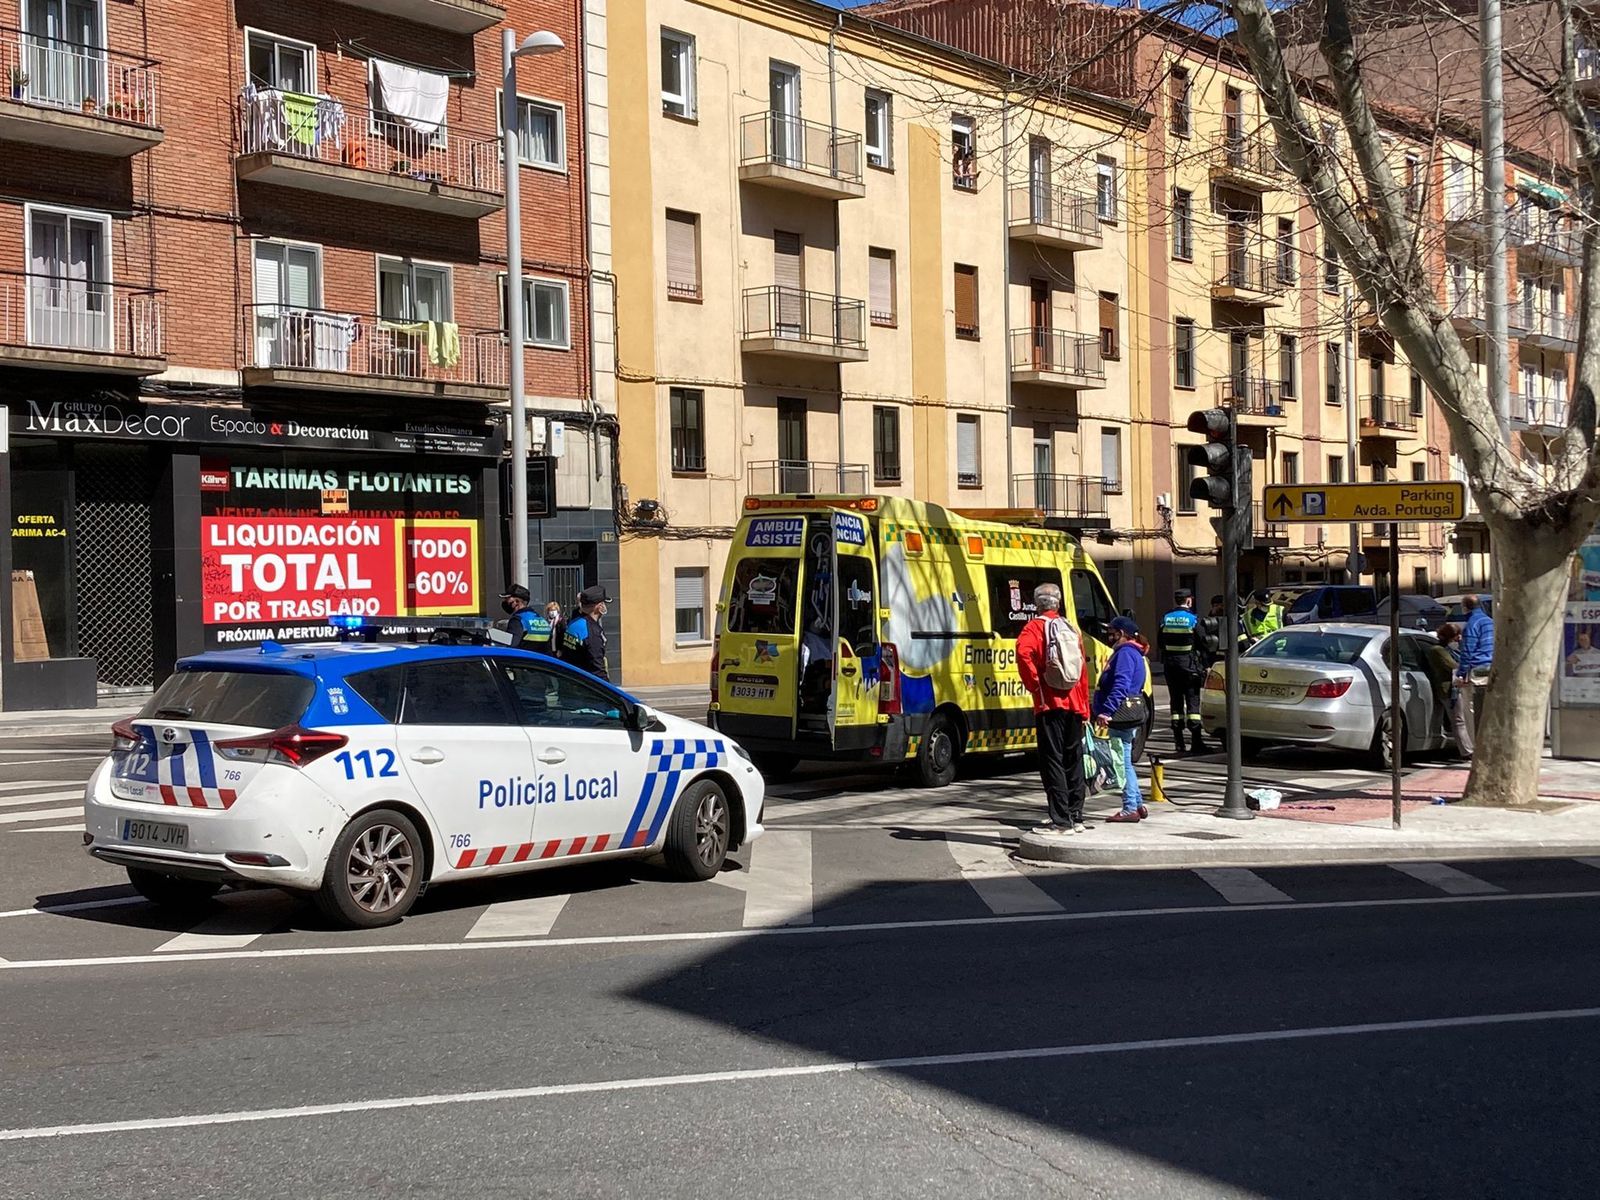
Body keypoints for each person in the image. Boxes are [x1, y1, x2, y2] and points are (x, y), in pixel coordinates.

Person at [1016, 584, 1092, 836]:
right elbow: (1082, 671)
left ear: (1037, 604)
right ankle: (1076, 815)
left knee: (1052, 760)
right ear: (1058, 603)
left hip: (1049, 704)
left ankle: (1060, 820)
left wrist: (1035, 686)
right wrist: (1084, 708)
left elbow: (1023, 653)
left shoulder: (1034, 628)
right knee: (1073, 759)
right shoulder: (1070, 628)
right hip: (1074, 703)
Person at [1092, 615, 1149, 824]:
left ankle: (1129, 807)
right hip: (1128, 714)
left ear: (1122, 634)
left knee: (1122, 763)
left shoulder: (1125, 653)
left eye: (1112, 632)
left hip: (1121, 715)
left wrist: (1106, 711)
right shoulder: (1132, 652)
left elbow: (1121, 685)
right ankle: (1138, 803)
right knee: (1125, 761)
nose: (1109, 635)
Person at [1157, 589, 1207, 754]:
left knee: (1176, 703)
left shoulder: (1166, 618)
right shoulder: (1192, 619)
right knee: (1193, 703)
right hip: (1189, 666)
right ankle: (1196, 742)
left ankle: (1179, 742)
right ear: (1189, 600)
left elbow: (1160, 643)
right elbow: (1203, 642)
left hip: (1171, 666)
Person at [1455, 593, 1495, 757]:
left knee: (1472, 712)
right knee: (1488, 710)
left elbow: (1468, 651)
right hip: (1491, 667)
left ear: (1466, 607)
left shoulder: (1471, 624)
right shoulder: (1490, 622)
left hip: (1476, 670)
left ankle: (1478, 749)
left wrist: (1461, 673)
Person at [1432, 623, 1471, 758]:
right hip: (1448, 690)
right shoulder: (1438, 650)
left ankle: (1467, 747)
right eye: (1455, 637)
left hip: (1455, 687)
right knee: (1458, 721)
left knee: (1461, 719)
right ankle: (1466, 751)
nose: (1458, 640)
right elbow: (1453, 665)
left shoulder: (1450, 650)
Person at [560, 585, 612, 681]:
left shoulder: (574, 623)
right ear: (599, 606)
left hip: (569, 680)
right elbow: (596, 667)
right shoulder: (592, 631)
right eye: (604, 603)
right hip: (585, 685)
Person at [498, 584, 550, 651]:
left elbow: (511, 648)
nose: (505, 602)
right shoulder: (543, 621)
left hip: (523, 660)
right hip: (542, 660)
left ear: (516, 602)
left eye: (507, 599)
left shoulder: (517, 621)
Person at [1198, 594, 1226, 668]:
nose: (1220, 608)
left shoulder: (1230, 620)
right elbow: (1203, 643)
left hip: (1228, 658)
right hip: (1212, 658)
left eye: (1222, 606)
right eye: (1216, 606)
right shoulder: (1207, 622)